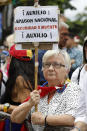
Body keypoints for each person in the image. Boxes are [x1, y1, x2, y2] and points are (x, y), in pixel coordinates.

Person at [11, 50, 80, 131]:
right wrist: (29, 104)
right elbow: (15, 118)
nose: (50, 68)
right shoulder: (39, 91)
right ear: (42, 69)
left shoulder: (73, 89)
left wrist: (44, 119)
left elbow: (72, 118)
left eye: (56, 65)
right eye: (47, 64)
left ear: (67, 70)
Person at [0, 44, 34, 131]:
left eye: (9, 56)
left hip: (16, 126)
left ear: (12, 59)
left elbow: (26, 109)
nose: (7, 60)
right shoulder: (25, 76)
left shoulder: (20, 80)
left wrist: (3, 107)